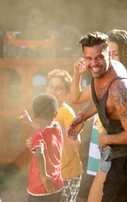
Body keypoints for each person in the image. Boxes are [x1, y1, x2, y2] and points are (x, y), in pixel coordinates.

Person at [67, 31, 127, 202]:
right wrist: (82, 117)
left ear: (109, 55)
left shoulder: (119, 89)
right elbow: (103, 100)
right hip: (118, 156)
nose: (93, 64)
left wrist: (106, 139)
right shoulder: (103, 73)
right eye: (88, 59)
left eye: (98, 58)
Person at [21, 69, 82, 202]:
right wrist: (35, 134)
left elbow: (76, 143)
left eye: (59, 88)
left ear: (67, 94)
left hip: (68, 172)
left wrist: (71, 136)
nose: (53, 90)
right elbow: (46, 130)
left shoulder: (66, 112)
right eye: (51, 86)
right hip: (55, 172)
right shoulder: (48, 111)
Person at [27, 94, 64, 202]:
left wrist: (43, 175)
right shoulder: (57, 128)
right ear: (56, 114)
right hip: (57, 184)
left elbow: (39, 152)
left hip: (40, 187)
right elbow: (46, 130)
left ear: (34, 115)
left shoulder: (38, 134)